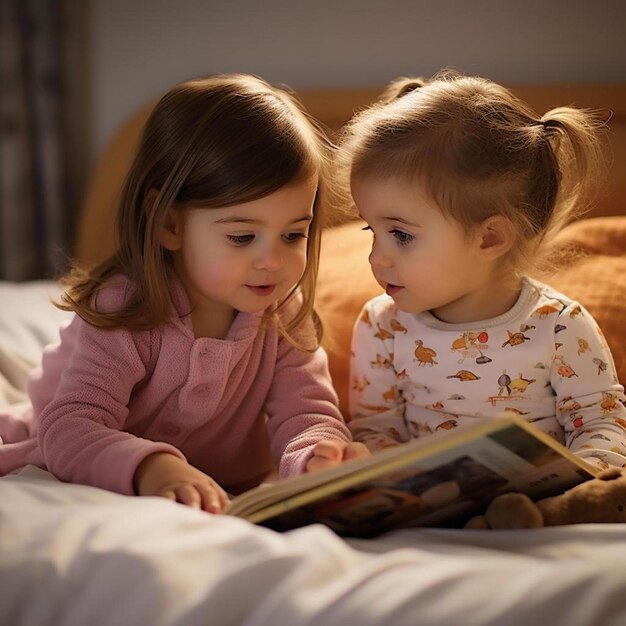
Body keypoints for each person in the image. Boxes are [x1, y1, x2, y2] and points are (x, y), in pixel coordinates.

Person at [0, 74, 368, 512]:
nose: (273, 260)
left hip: (229, 486)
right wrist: (150, 467)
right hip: (81, 454)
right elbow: (71, 428)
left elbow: (306, 413)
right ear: (169, 224)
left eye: (293, 234)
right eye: (242, 237)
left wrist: (318, 459)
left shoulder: (283, 314)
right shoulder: (125, 308)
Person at [339, 71, 626, 469]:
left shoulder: (560, 326)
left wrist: (584, 480)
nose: (376, 258)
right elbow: (376, 429)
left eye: (401, 235)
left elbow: (601, 425)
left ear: (489, 238)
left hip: (538, 513)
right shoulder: (381, 326)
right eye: (373, 230)